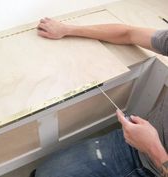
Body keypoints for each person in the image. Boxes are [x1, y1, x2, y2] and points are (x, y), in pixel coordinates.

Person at [33, 18, 168, 177]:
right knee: (45, 173)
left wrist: (153, 148)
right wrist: (67, 29)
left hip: (155, 163)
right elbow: (128, 33)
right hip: (134, 147)